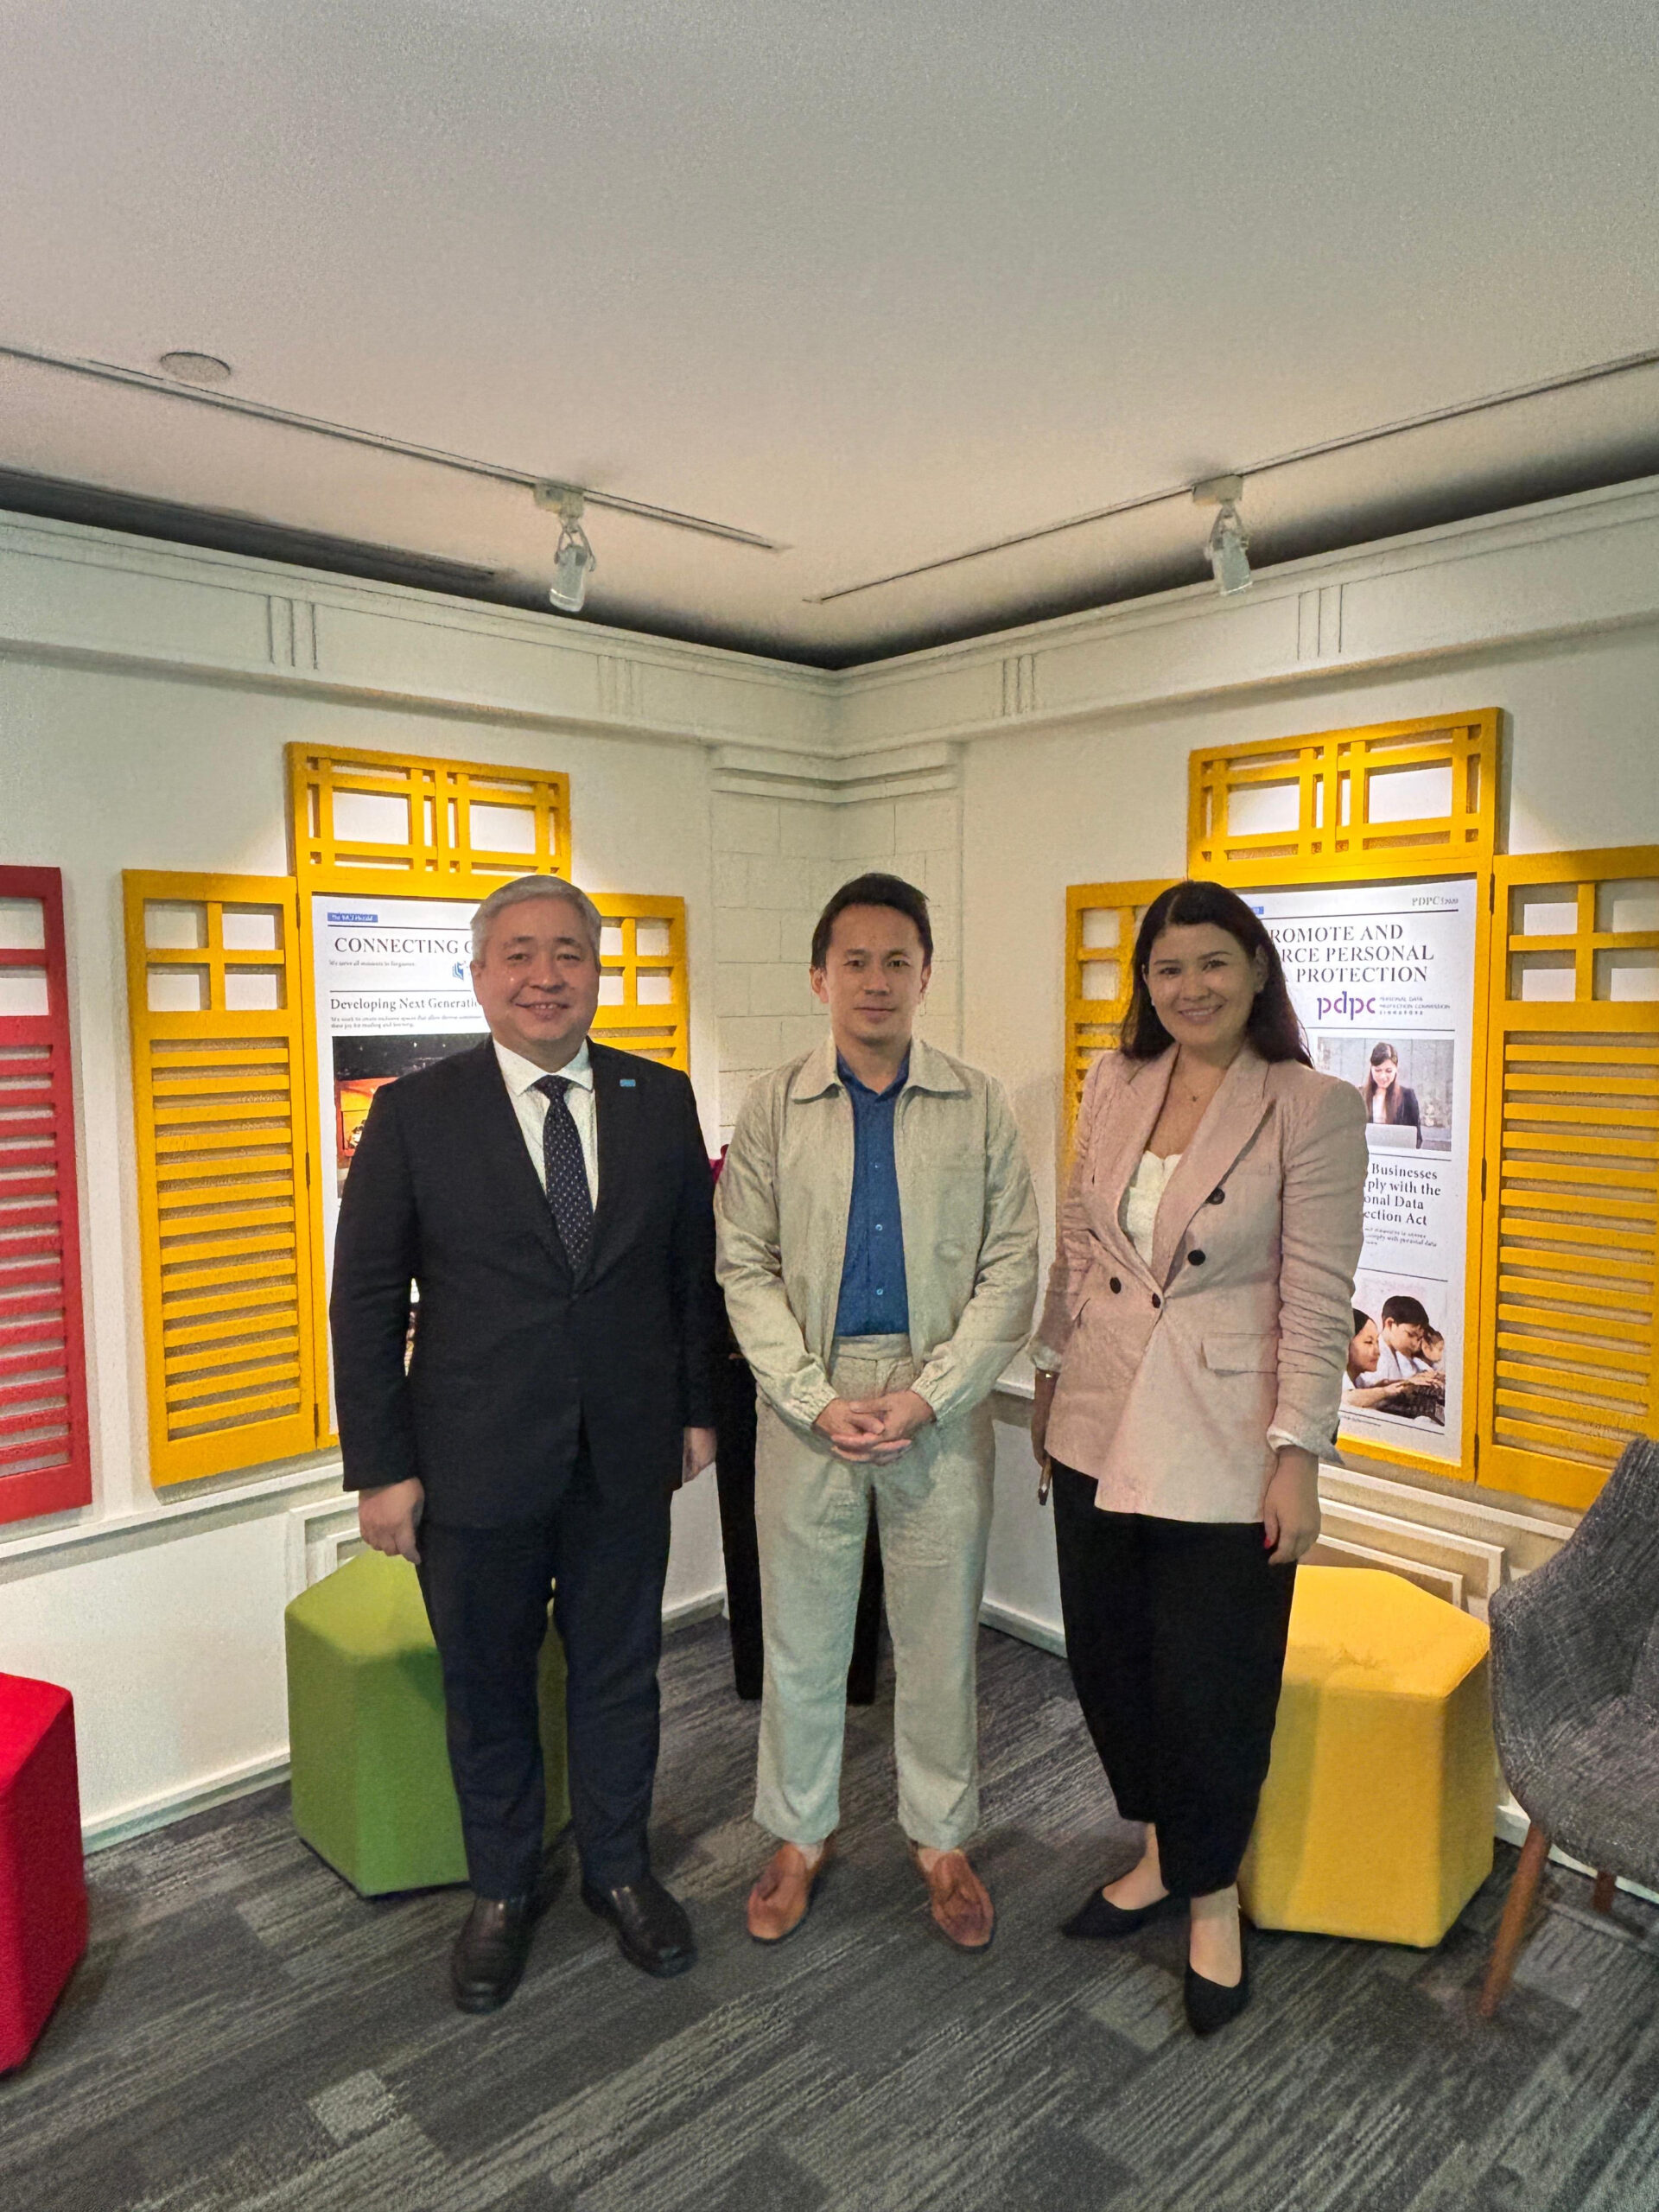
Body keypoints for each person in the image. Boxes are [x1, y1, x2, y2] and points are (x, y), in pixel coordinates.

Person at [331, 874, 721, 2013]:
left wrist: (699, 1410)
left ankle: (619, 1868)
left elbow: (689, 1275)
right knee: (488, 1681)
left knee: (620, 1673)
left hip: (623, 1454)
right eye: (519, 954)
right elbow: (365, 1302)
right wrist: (382, 1470)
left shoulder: (659, 1097)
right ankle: (501, 1888)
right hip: (471, 1460)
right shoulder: (414, 1112)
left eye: (568, 953)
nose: (545, 976)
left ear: (596, 972)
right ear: (479, 975)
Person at [1031, 877, 1366, 2037]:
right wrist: (1048, 1371)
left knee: (1211, 1679)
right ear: (1146, 981)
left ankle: (1212, 1894)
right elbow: (1080, 1243)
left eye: (1214, 962)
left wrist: (1299, 1455)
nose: (1192, 987)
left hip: (1225, 1434)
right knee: (1110, 1659)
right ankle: (1161, 1852)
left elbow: (1317, 1298)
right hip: (1097, 1409)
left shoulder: (1310, 1105)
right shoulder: (1114, 1079)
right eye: (1168, 968)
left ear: (1257, 969)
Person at [717, 873, 1038, 1952]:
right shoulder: (774, 1104)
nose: (876, 980)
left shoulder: (979, 1103)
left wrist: (929, 1392)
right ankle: (797, 1833)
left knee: (939, 1636)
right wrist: (813, 1397)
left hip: (935, 1393)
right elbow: (744, 1266)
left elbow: (1012, 1267)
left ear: (926, 975)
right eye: (853, 960)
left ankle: (941, 1838)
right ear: (819, 977)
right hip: (805, 1392)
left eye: (898, 960)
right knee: (801, 1636)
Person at [1342, 1309, 1414, 1412]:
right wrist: (1385, 1391)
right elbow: (1347, 1398)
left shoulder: (1358, 1380)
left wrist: (1407, 1383)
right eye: (1369, 1342)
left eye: (1377, 1342)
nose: (1378, 1351)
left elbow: (1368, 1390)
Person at [1360, 1294, 1433, 1383]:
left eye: (1419, 1338)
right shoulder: (1375, 1354)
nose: (1415, 1343)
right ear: (1390, 1324)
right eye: (1410, 1335)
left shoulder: (1398, 1354)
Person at [1360, 1042, 1421, 1142]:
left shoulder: (1408, 1097)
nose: (1383, 1076)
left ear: (1396, 1069)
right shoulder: (1359, 1095)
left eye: (1388, 1071)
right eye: (1377, 1070)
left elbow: (1417, 1139)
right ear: (1371, 1068)